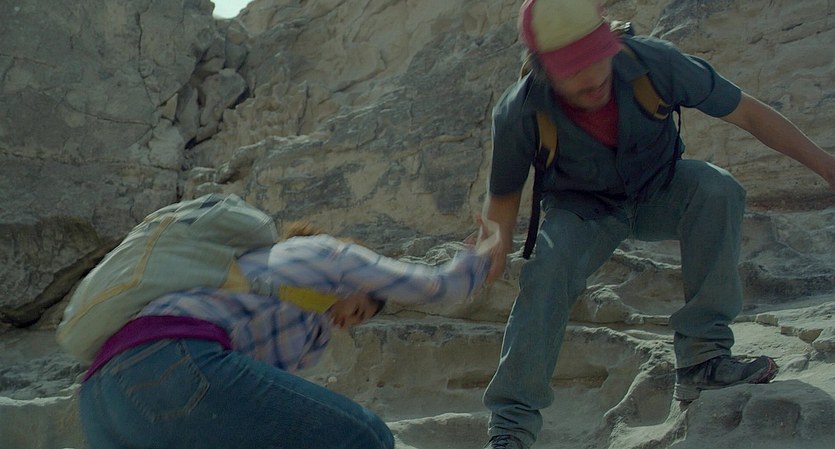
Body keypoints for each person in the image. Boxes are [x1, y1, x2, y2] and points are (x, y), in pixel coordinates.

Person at [476, 0, 835, 448]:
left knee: (717, 188)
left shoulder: (654, 63)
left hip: (660, 192)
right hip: (583, 212)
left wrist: (826, 166)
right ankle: (510, 430)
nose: (592, 77)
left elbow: (746, 112)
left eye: (596, 56)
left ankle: (704, 362)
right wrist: (492, 246)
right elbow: (504, 196)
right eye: (573, 68)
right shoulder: (520, 111)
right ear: (543, 69)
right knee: (546, 269)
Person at [78, 218, 499, 449]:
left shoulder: (284, 308)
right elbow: (435, 286)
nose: (346, 324)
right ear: (356, 284)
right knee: (366, 437)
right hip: (171, 366)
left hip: (99, 398)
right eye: (356, 310)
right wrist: (480, 258)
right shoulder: (329, 255)